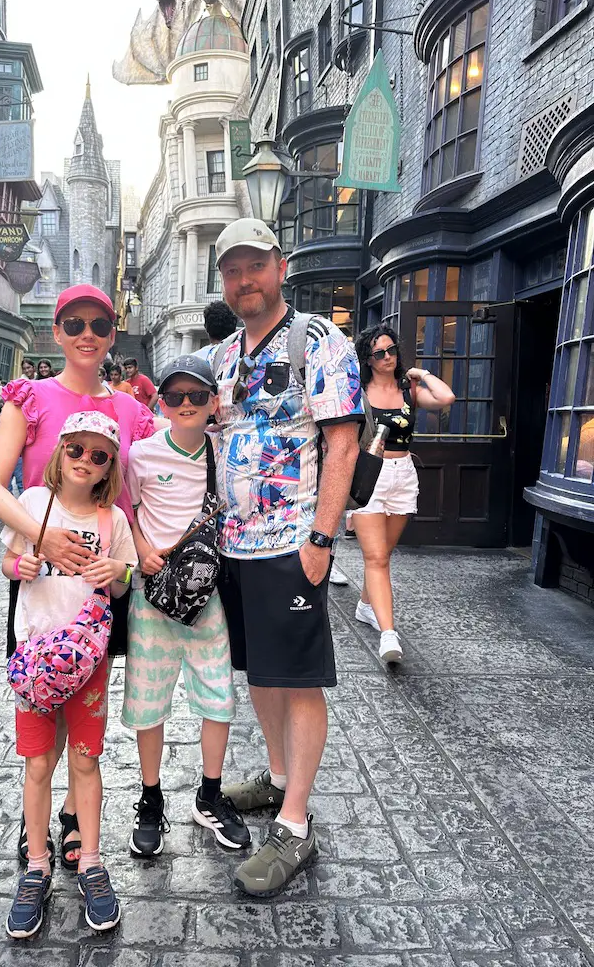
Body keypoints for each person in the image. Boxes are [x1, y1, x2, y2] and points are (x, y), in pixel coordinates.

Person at [210, 219, 363, 897]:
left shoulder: (321, 342)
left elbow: (344, 444)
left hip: (291, 542)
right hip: (234, 545)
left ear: (280, 266)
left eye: (253, 266)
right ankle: (276, 778)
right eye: (231, 270)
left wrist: (322, 539)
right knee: (262, 673)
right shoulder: (221, 354)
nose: (242, 280)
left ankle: (296, 826)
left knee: (298, 680)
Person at [0, 283, 154, 876]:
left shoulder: (130, 409)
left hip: (100, 584)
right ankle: (37, 835)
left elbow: (154, 481)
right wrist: (41, 535)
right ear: (56, 332)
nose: (86, 335)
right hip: (38, 577)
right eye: (74, 323)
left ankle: (79, 827)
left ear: (112, 335)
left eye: (99, 326)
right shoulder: (27, 398)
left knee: (85, 705)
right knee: (41, 706)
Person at [0, 411, 137, 937]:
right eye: (75, 450)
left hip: (88, 665)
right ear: (59, 452)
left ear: (109, 468)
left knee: (85, 760)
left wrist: (117, 572)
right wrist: (22, 567)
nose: (85, 461)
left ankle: (92, 859)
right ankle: (37, 864)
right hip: (37, 659)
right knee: (38, 765)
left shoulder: (113, 522)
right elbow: (8, 562)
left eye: (98, 455)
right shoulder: (35, 505)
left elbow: (125, 580)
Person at [124, 355, 250, 857]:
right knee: (148, 700)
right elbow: (129, 508)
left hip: (207, 594)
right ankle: (150, 798)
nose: (186, 405)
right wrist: (140, 548)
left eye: (197, 396)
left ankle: (210, 793)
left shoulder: (224, 452)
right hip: (152, 594)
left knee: (219, 694)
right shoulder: (142, 455)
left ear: (213, 402)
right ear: (161, 402)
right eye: (174, 397)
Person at [351, 324, 455, 662]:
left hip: (403, 475)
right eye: (379, 353)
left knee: (383, 554)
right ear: (367, 358)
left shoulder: (407, 391)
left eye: (392, 350)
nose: (387, 357)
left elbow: (445, 398)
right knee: (377, 558)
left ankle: (366, 605)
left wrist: (420, 372)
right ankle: (388, 635)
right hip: (369, 475)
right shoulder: (358, 391)